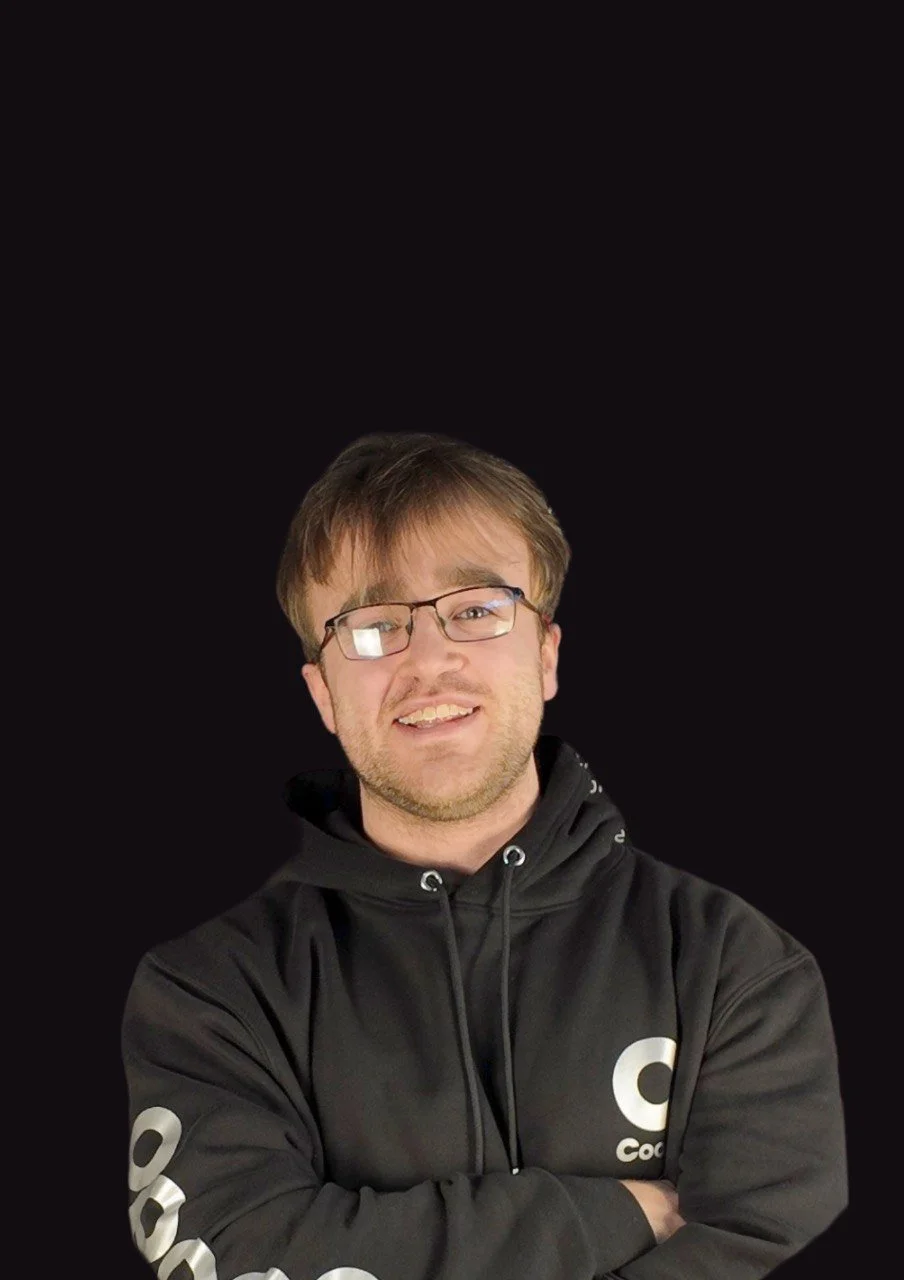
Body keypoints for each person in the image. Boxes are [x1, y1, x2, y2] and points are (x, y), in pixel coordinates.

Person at [121, 432, 847, 1279]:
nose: (430, 660)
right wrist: (612, 1214)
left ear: (546, 653)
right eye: (373, 626)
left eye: (476, 610)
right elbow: (239, 1252)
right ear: (322, 693)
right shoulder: (211, 995)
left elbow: (776, 1245)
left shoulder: (735, 968)